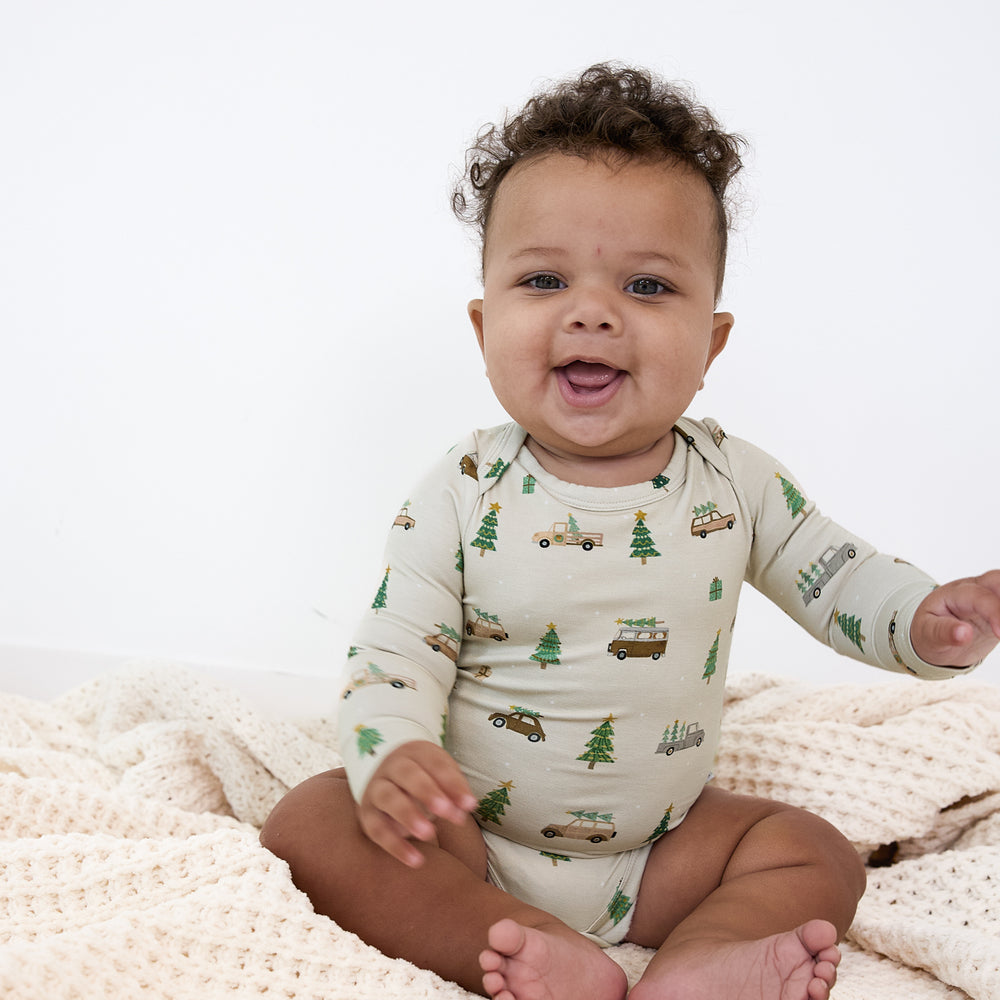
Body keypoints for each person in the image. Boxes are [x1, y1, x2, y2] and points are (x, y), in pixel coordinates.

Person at [260, 64, 1000, 1000]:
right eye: (543, 278)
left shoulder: (735, 480)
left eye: (648, 285)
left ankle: (695, 968)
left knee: (812, 852)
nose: (594, 310)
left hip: (662, 853)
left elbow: (840, 581)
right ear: (485, 325)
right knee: (311, 821)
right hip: (470, 838)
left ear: (713, 342)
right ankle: (510, 936)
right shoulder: (462, 487)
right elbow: (396, 649)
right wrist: (392, 751)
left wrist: (930, 620)